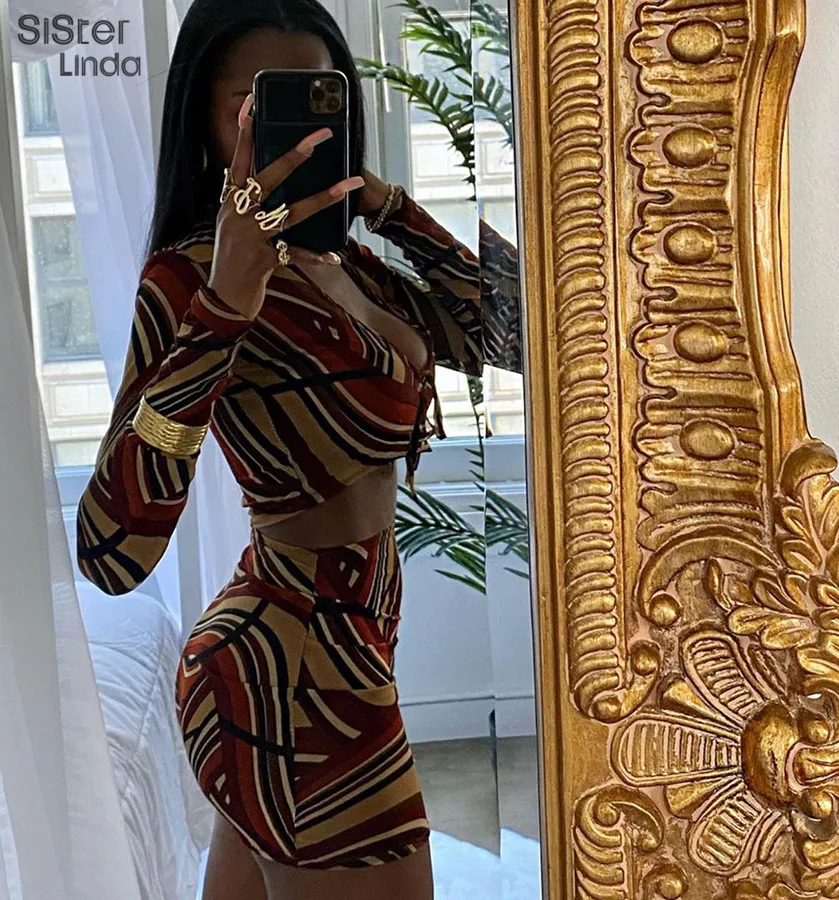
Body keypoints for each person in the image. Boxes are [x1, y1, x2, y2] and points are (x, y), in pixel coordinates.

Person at [73, 1, 518, 898]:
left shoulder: (347, 266)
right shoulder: (188, 277)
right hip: (292, 671)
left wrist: (381, 202)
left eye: (323, 99)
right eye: (258, 104)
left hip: (341, 647)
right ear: (206, 119)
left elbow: (519, 330)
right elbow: (112, 550)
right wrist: (225, 306)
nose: (297, 129)